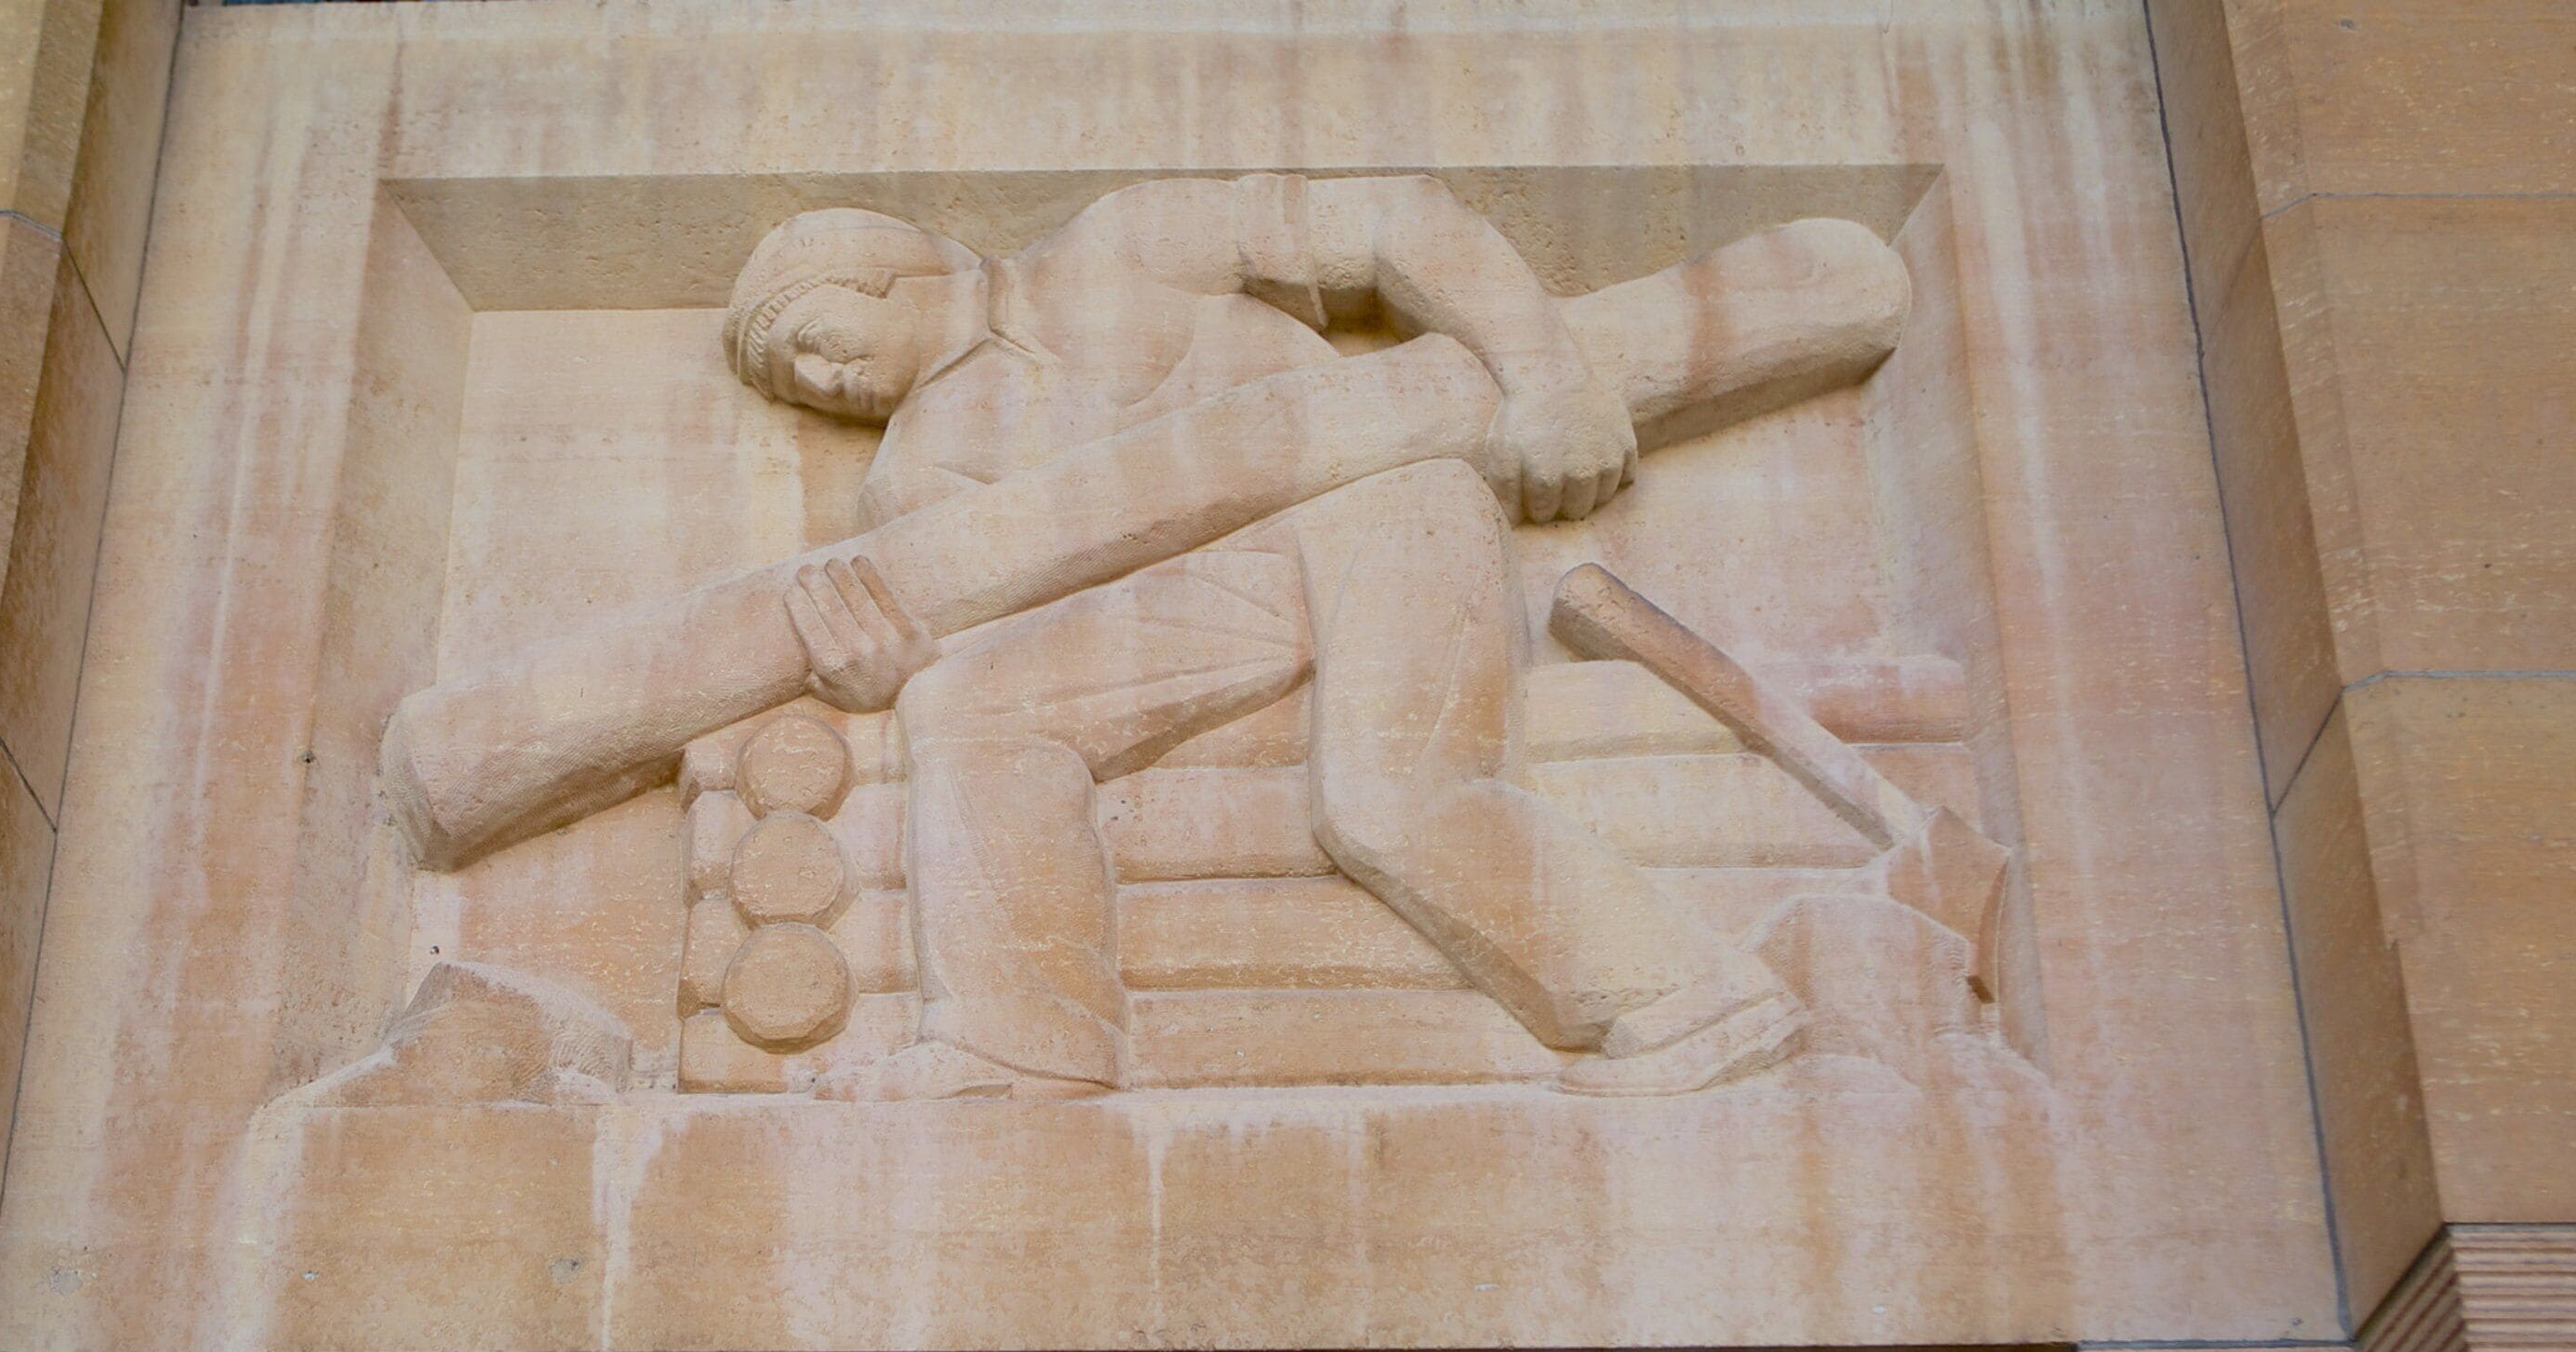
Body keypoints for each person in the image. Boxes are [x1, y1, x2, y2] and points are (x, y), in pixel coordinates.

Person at [725, 176, 1797, 1100]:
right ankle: (1019, 1046)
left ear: (882, 274)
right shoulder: (915, 475)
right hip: (1209, 597)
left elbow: (1393, 220)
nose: (822, 386)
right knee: (969, 707)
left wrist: (1548, 377)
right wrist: (891, 672)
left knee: (1393, 798)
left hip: (1376, 505)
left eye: (812, 343)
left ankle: (1697, 1001)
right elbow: (992, 636)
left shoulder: (1123, 243)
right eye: (793, 386)